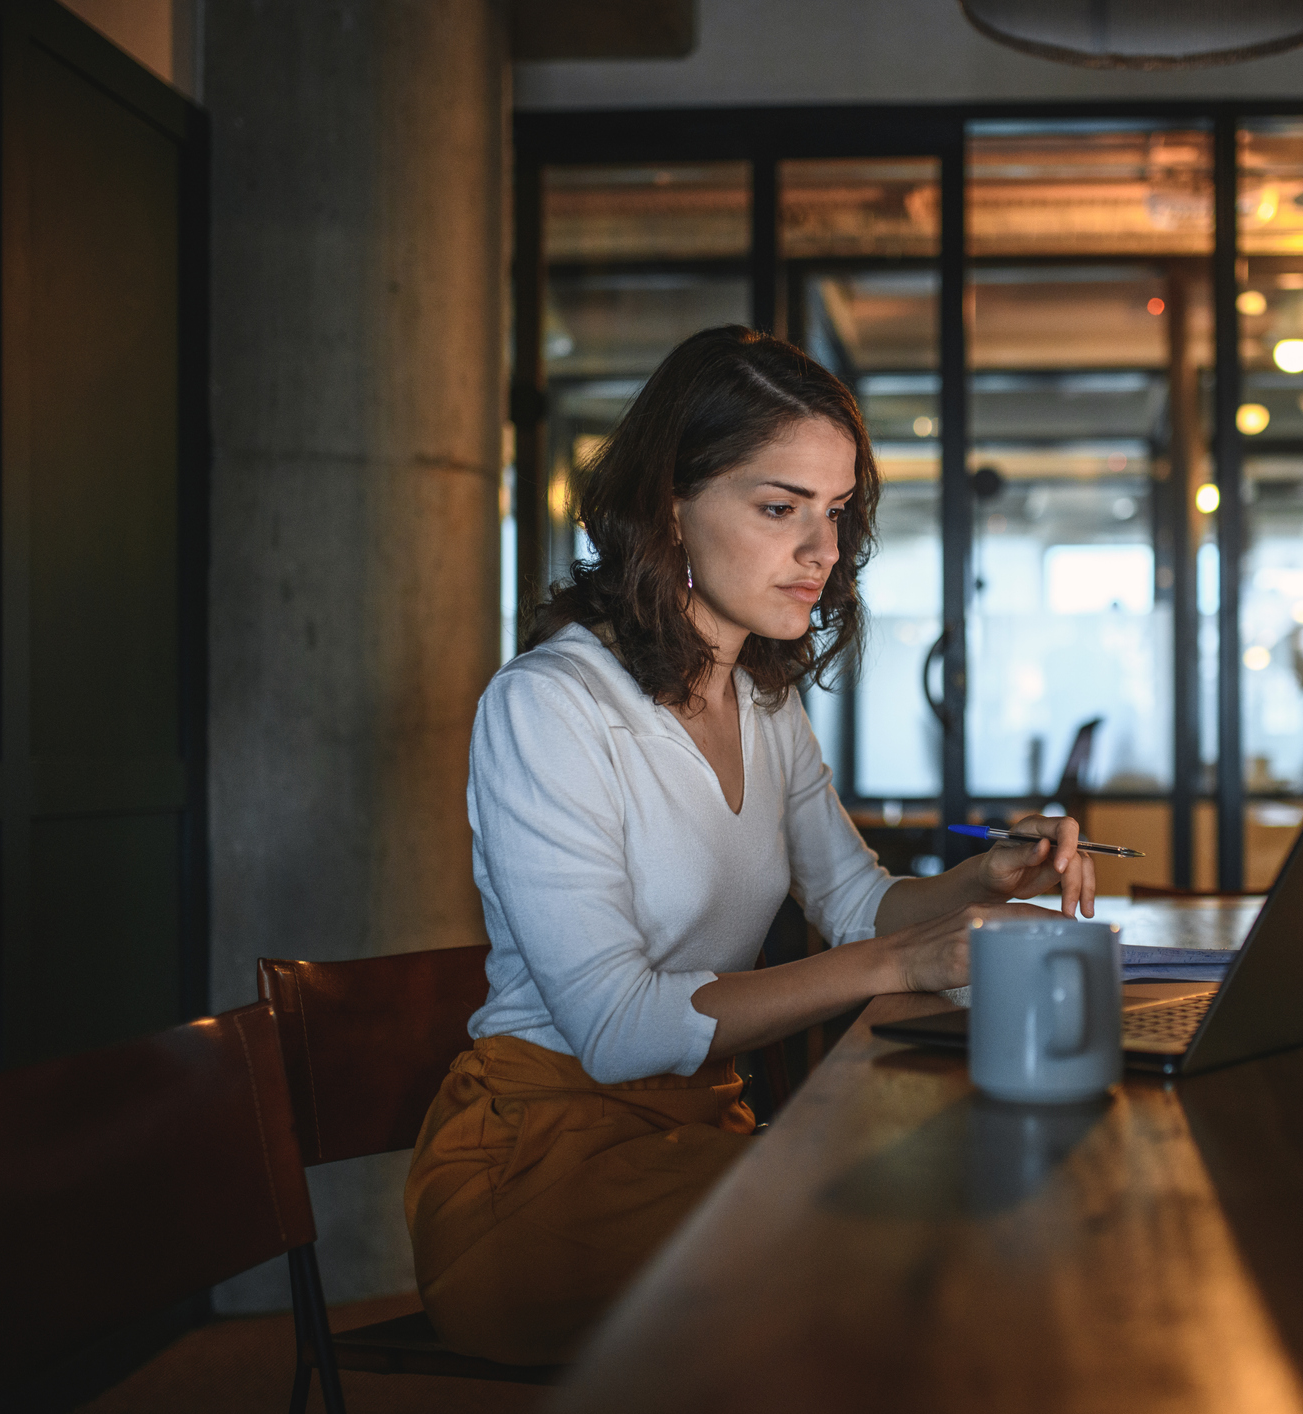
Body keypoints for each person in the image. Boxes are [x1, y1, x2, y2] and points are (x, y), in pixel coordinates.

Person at [405, 325, 1094, 1365]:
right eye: (780, 509)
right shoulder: (548, 705)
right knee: (913, 1255)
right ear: (669, 505)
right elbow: (618, 1027)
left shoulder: (762, 697)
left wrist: (978, 879)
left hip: (703, 1137)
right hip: (542, 1171)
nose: (821, 552)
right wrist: (905, 960)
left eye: (835, 513)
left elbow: (857, 903)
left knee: (970, 1209)